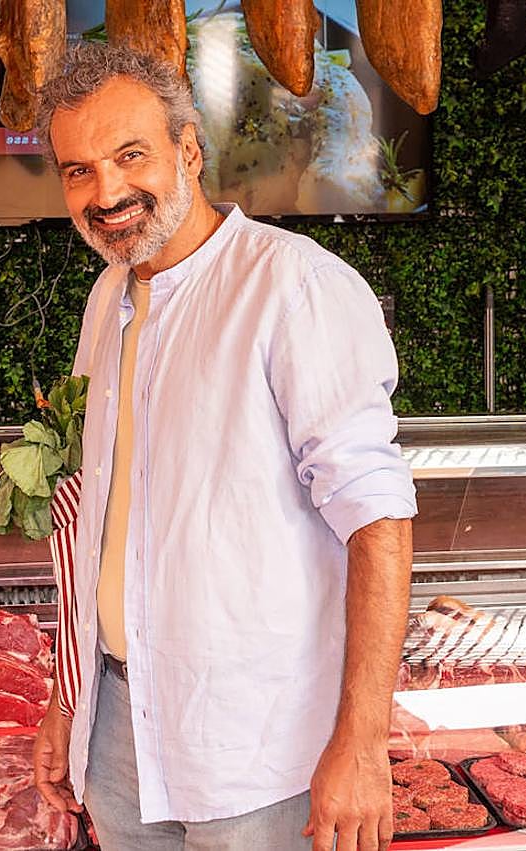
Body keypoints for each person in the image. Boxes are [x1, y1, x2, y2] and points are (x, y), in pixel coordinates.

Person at [29, 43, 417, 851]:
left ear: (189, 148)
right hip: (119, 739)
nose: (106, 193)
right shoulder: (107, 297)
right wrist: (69, 702)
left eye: (129, 155)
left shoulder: (294, 287)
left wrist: (362, 741)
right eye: (77, 170)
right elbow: (96, 519)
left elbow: (379, 523)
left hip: (259, 756)